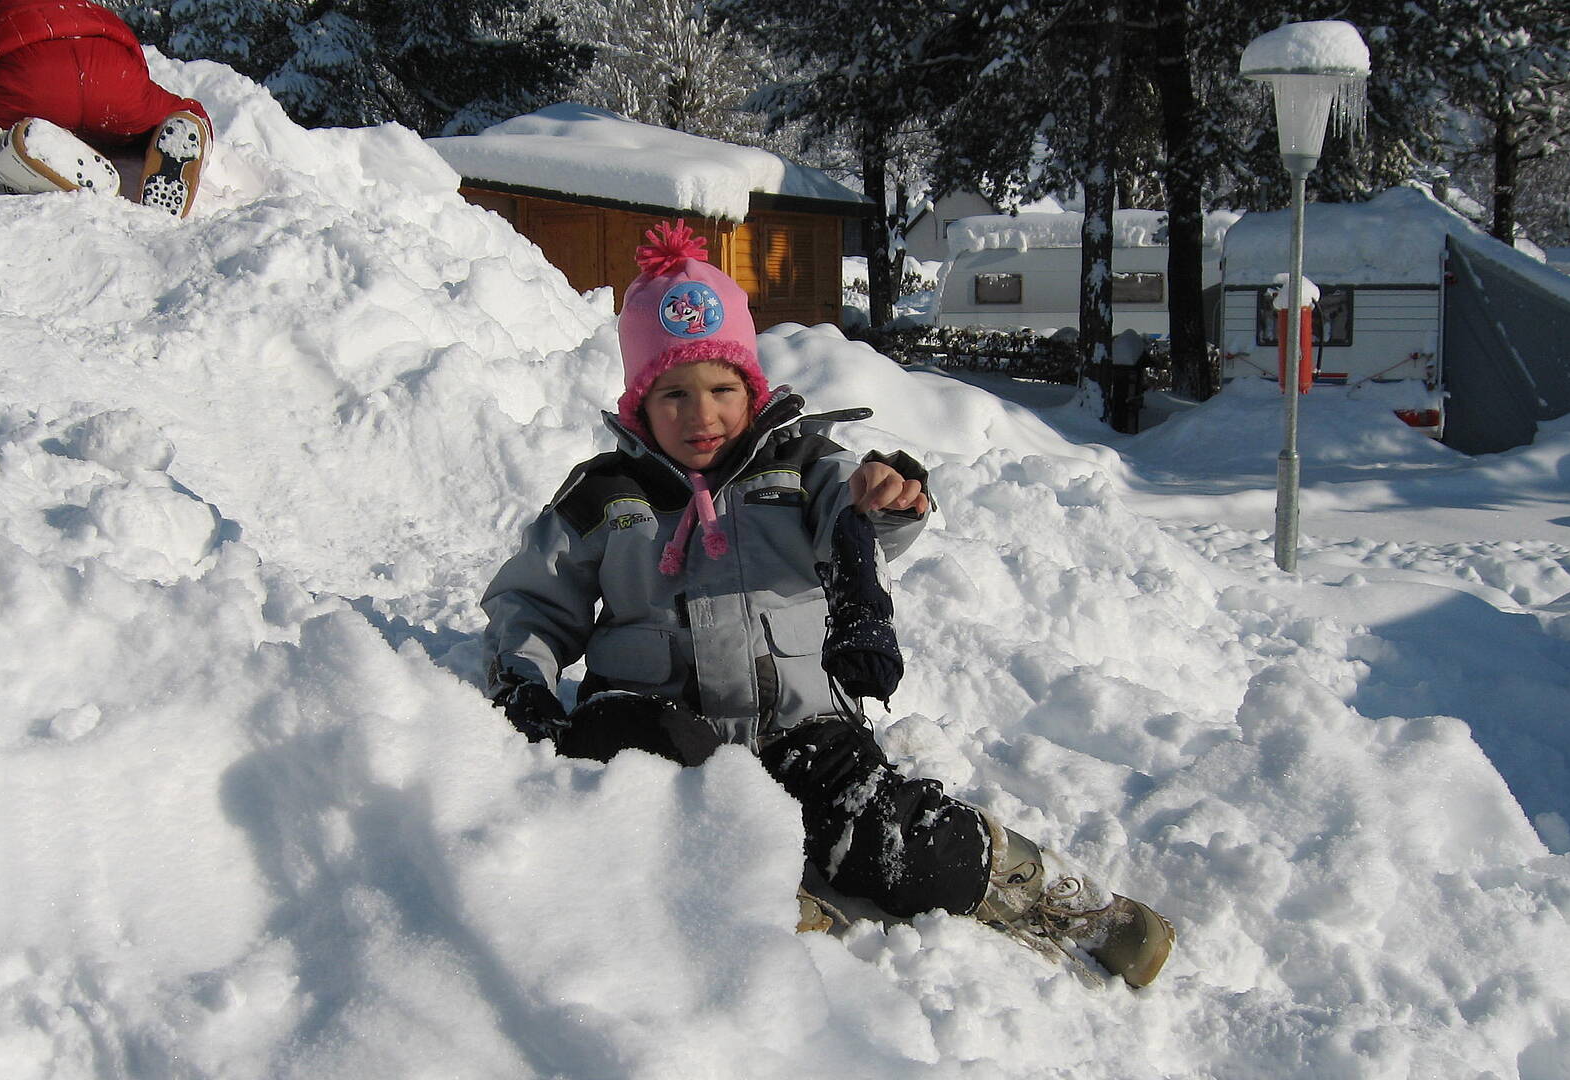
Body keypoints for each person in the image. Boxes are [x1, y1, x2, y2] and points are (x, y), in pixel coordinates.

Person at [480, 222, 1176, 988]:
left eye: (721, 389)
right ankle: (766, 886)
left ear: (752, 388)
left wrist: (888, 494)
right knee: (616, 753)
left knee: (882, 828)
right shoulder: (606, 495)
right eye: (672, 393)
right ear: (640, 404)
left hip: (800, 728)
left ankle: (1025, 882)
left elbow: (862, 521)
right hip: (663, 731)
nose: (699, 413)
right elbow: (533, 603)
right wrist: (526, 680)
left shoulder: (802, 467)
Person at [0, 0, 213, 217]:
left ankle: (10, 159)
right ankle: (172, 137)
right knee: (183, 112)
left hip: (24, 83)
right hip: (111, 68)